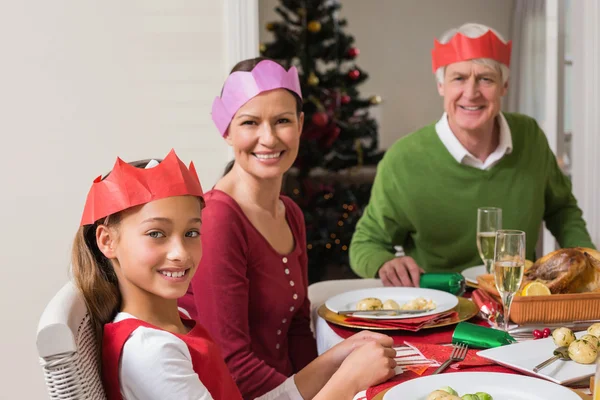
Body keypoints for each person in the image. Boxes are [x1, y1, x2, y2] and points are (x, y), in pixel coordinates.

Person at [72, 149, 396, 400]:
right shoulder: (150, 352)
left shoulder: (178, 321)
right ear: (107, 240)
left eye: (192, 233)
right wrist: (348, 380)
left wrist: (332, 361)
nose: (180, 252)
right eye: (156, 233)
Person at [349, 23, 595, 287]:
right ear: (441, 85)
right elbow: (365, 244)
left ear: (505, 85)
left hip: (517, 301)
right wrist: (385, 262)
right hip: (440, 308)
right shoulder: (403, 159)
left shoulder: (530, 136)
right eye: (459, 78)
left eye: (486, 78)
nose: (471, 92)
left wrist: (590, 263)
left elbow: (562, 210)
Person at [179, 57, 335, 399]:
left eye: (282, 121)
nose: (269, 138)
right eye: (250, 122)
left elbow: (297, 331)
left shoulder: (289, 212)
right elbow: (231, 365)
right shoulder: (217, 220)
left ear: (300, 124)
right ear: (226, 130)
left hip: (288, 390)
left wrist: (324, 385)